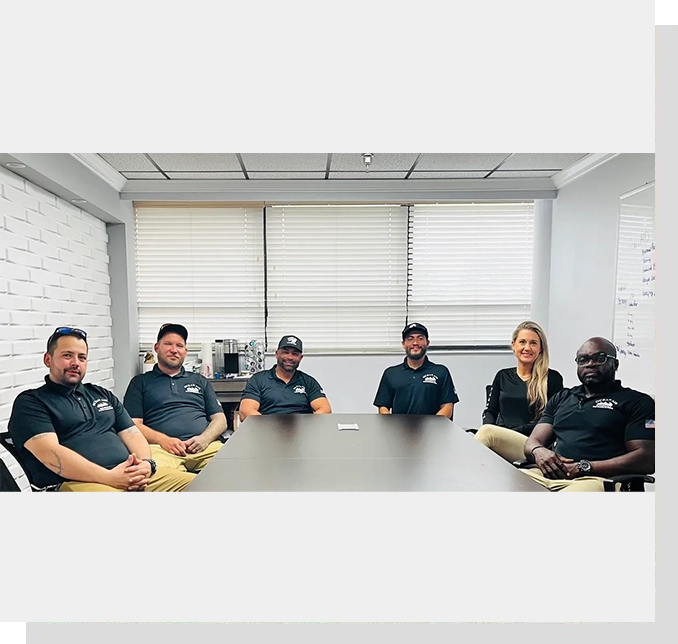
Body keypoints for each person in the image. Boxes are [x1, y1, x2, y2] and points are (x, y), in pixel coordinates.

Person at [7, 327, 195, 492]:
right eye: (67, 355)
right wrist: (110, 477)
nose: (75, 362)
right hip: (77, 483)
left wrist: (147, 464)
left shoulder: (101, 394)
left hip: (130, 475)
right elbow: (50, 454)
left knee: (203, 485)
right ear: (48, 359)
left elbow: (132, 433)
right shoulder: (31, 402)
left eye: (82, 357)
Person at [486, 336, 654, 492]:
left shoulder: (637, 402)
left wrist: (584, 467)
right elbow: (533, 441)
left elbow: (647, 459)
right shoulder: (563, 398)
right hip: (548, 474)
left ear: (615, 365)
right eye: (583, 360)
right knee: (500, 490)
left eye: (599, 358)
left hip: (595, 479)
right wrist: (539, 451)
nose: (590, 364)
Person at [123, 323, 227, 473]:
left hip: (206, 448)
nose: (174, 350)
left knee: (235, 469)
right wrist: (163, 440)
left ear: (185, 351)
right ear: (157, 347)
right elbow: (133, 425)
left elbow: (220, 419)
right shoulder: (140, 382)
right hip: (161, 450)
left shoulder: (199, 380)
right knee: (149, 473)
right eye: (168, 344)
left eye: (179, 345)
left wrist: (205, 439)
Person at [475, 320, 564, 462]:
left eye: (533, 343)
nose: (527, 348)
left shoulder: (552, 378)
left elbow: (552, 419)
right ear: (513, 345)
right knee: (483, 433)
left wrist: (508, 432)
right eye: (522, 342)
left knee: (485, 434)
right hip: (499, 437)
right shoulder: (502, 376)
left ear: (541, 348)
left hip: (532, 445)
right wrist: (494, 430)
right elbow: (490, 411)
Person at [373, 322, 458, 417]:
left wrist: (432, 428)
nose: (415, 343)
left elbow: (448, 407)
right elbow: (383, 407)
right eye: (410, 339)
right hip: (399, 431)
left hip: (432, 430)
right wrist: (392, 427)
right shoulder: (391, 373)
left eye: (420, 338)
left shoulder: (441, 372)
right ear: (403, 344)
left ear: (427, 343)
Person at [239, 335, 332, 421]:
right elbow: (246, 411)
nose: (290, 357)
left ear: (301, 357)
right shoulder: (258, 380)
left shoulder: (308, 382)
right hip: (267, 432)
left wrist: (306, 426)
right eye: (285, 352)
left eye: (295, 354)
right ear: (277, 354)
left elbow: (325, 410)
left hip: (301, 432)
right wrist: (269, 428)